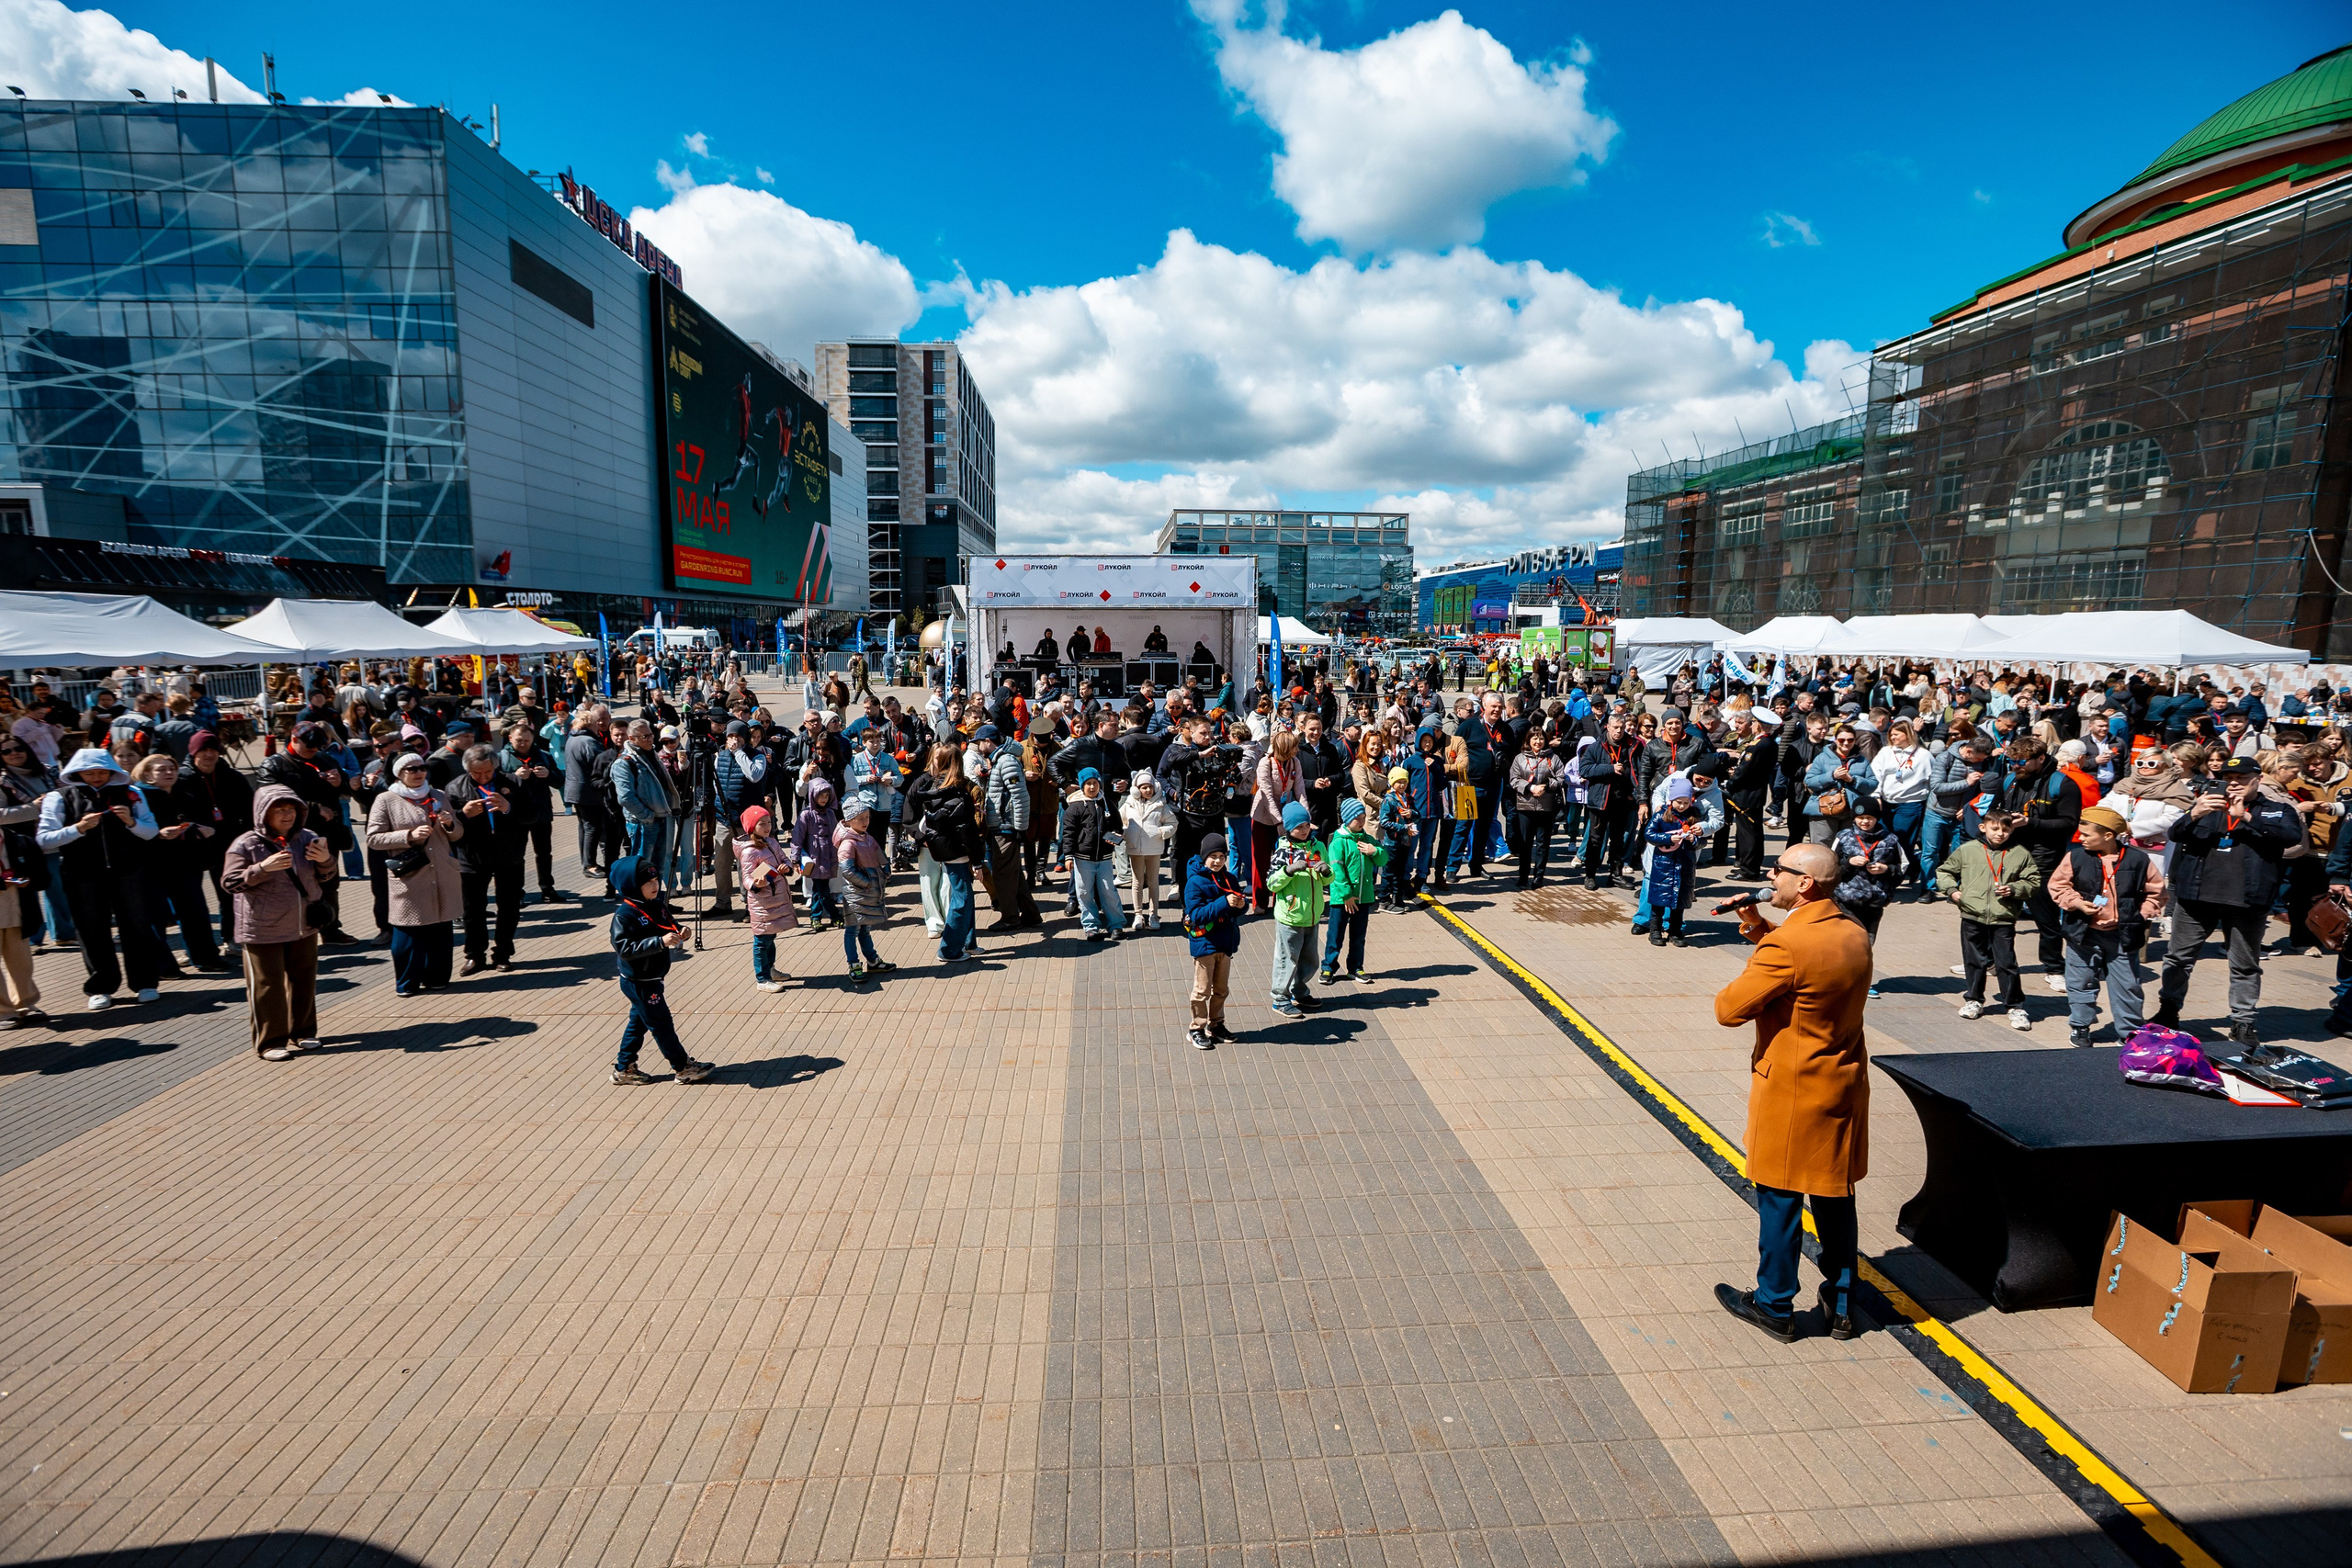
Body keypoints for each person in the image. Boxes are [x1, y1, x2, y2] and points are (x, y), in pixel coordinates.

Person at [1713, 841, 1875, 1343]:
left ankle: (1774, 1304)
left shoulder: (1787, 947)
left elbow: (1731, 1009)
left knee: (1780, 1198)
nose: (1770, 875)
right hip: (1841, 1082)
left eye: (1779, 870)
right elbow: (1810, 974)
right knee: (1833, 1194)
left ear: (1804, 883)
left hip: (1792, 1089)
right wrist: (1758, 926)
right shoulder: (1853, 931)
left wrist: (1764, 943)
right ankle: (1842, 1301)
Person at [2155, 756, 2300, 1045]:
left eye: (2242, 779)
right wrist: (2194, 814)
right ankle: (2168, 1011)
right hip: (2197, 897)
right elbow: (2174, 834)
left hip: (2247, 900)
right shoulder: (2206, 805)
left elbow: (2291, 837)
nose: (2234, 784)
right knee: (2179, 957)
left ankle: (2243, 1022)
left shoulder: (2277, 810)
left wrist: (2247, 817)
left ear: (2258, 779)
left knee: (2245, 964)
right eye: (2229, 778)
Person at [38, 746, 164, 1010]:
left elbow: (151, 831)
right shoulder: (60, 796)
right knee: (91, 929)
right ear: (77, 772)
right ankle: (101, 986)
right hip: (82, 874)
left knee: (137, 925)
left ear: (111, 771)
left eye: (102, 772)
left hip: (128, 871)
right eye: (89, 773)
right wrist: (78, 828)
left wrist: (131, 822)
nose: (96, 778)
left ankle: (145, 983)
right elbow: (44, 839)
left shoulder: (132, 792)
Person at [219, 783, 331, 1060]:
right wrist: (261, 869)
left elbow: (325, 876)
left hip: (303, 923)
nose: (286, 815)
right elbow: (229, 883)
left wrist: (327, 860)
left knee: (304, 980)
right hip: (261, 928)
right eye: (278, 810)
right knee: (267, 985)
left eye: (291, 809)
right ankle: (270, 1042)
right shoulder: (245, 844)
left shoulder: (308, 838)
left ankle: (303, 1032)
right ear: (263, 813)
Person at [2048, 805, 2166, 1047]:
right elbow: (2058, 886)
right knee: (2080, 981)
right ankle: (2080, 1026)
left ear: (2108, 835)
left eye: (2087, 835)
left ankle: (2129, 1032)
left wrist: (2140, 915)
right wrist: (2077, 903)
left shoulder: (2138, 860)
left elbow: (2156, 894)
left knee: (2128, 985)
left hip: (2122, 934)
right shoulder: (2076, 856)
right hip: (2083, 933)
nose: (2080, 839)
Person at [606, 852, 715, 1085]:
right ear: (632, 886)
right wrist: (660, 942)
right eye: (649, 883)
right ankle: (682, 1066)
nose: (655, 886)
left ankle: (623, 1067)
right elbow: (624, 948)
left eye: (657, 881)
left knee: (639, 1023)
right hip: (639, 981)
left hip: (652, 977)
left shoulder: (655, 905)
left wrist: (682, 930)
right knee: (661, 1024)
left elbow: (670, 925)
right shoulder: (624, 915)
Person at [367, 752, 464, 996]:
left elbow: (458, 835)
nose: (419, 772)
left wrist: (450, 824)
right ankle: (407, 982)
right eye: (412, 769)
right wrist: (408, 836)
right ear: (400, 773)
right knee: (409, 932)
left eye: (422, 767)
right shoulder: (386, 799)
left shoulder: (438, 795)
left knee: (441, 930)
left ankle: (437, 978)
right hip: (411, 874)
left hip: (442, 871)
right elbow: (373, 838)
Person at [1935, 811, 2039, 1032]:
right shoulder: (1967, 850)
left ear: (2012, 830)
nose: (2000, 834)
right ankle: (1974, 999)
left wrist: (2014, 889)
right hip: (1972, 913)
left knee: (2006, 963)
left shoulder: (2020, 853)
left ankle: (2014, 1006)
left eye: (2006, 829)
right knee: (1975, 960)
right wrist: (1953, 892)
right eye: (1995, 829)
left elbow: (2033, 881)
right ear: (1983, 828)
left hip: (2004, 916)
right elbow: (1944, 871)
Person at [129, 753, 231, 975]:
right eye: (161, 770)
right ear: (147, 774)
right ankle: (163, 967)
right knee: (156, 918)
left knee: (196, 912)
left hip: (186, 863)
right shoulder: (138, 796)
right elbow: (133, 831)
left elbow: (207, 820)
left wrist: (207, 830)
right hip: (153, 865)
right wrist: (159, 835)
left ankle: (205, 958)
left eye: (171, 769)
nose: (169, 773)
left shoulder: (185, 793)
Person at [447, 744, 526, 975]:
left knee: (509, 907)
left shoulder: (513, 783)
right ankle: (474, 956)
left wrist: (509, 808)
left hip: (508, 855)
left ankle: (503, 954)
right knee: (473, 910)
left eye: (487, 772)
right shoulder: (455, 788)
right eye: (476, 773)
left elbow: (533, 815)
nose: (482, 777)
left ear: (495, 766)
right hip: (472, 856)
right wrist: (463, 815)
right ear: (467, 770)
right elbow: (448, 825)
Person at [905, 743, 985, 963]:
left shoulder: (935, 787)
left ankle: (968, 943)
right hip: (956, 851)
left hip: (945, 849)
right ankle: (949, 949)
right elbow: (966, 832)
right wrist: (977, 863)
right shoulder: (958, 793)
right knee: (963, 898)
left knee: (963, 897)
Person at [1265, 801, 1330, 1020]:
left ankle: (1300, 992)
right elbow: (1272, 883)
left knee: (1310, 959)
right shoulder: (1283, 850)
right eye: (1298, 827)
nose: (1303, 831)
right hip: (1290, 916)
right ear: (1288, 828)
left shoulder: (1318, 847)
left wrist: (1326, 871)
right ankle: (1280, 998)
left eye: (1306, 825)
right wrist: (1288, 871)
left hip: (1312, 914)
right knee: (1287, 959)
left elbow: (1329, 878)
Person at [1183, 834, 1247, 1051]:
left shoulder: (1229, 878)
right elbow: (1196, 914)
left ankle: (1216, 1025)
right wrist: (1223, 902)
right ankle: (1196, 1029)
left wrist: (1241, 905)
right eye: (1213, 856)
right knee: (1202, 991)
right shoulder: (1195, 881)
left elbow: (1240, 907)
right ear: (1204, 858)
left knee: (1221, 989)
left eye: (1222, 856)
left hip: (1225, 943)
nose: (1218, 861)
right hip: (1205, 943)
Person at [1828, 796, 1906, 969]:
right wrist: (1848, 863)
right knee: (1845, 941)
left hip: (1875, 902)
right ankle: (1840, 977)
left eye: (1870, 817)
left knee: (1866, 943)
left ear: (1877, 818)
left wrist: (1886, 869)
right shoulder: (1843, 837)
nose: (1865, 821)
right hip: (1846, 900)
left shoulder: (1891, 840)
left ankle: (1863, 980)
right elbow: (1830, 868)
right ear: (1854, 818)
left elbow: (1903, 869)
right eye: (1861, 817)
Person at [498, 721, 566, 905]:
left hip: (541, 811)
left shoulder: (543, 756)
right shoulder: (502, 757)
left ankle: (547, 889)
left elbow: (560, 781)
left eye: (527, 740)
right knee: (516, 855)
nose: (523, 744)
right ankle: (517, 892)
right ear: (510, 738)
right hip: (515, 815)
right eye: (519, 740)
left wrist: (548, 774)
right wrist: (514, 778)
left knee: (544, 853)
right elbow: (495, 785)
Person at [733, 805, 799, 992]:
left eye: (769, 822)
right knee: (762, 940)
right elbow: (746, 877)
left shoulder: (771, 841)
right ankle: (762, 979)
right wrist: (757, 884)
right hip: (762, 902)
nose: (767, 826)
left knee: (771, 935)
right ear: (752, 827)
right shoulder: (749, 851)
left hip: (775, 899)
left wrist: (786, 867)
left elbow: (783, 859)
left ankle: (770, 969)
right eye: (762, 824)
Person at [1319, 797, 1385, 983]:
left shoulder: (1368, 840)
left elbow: (1383, 860)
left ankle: (1356, 967)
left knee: (1358, 936)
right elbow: (1337, 872)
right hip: (1342, 900)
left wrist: (1375, 851)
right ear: (1348, 819)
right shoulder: (1338, 842)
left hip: (1363, 898)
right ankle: (1328, 967)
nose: (1362, 821)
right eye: (1358, 818)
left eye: (1364, 817)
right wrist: (1347, 895)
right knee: (1335, 935)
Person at [834, 798, 897, 980]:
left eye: (867, 817)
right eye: (860, 818)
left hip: (867, 893)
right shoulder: (848, 843)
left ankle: (873, 961)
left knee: (865, 928)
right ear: (849, 820)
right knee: (852, 929)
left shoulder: (867, 837)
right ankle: (854, 965)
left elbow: (879, 854)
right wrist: (867, 883)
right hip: (855, 894)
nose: (865, 821)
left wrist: (885, 867)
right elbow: (847, 870)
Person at [1641, 777, 1706, 947]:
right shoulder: (1662, 816)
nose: (1682, 806)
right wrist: (1668, 838)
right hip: (1663, 865)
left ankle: (1675, 931)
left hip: (1684, 867)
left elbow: (1703, 841)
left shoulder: (1693, 817)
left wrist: (1693, 839)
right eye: (1679, 802)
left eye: (1686, 802)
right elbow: (1649, 834)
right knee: (1658, 902)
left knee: (1679, 903)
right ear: (1671, 800)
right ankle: (1655, 930)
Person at [1061, 767, 1125, 940]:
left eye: (1095, 783)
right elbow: (1068, 833)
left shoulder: (1107, 803)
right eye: (1088, 784)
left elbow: (1117, 825)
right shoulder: (1074, 807)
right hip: (1082, 859)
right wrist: (1068, 856)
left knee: (1108, 891)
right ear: (1082, 786)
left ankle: (1116, 925)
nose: (1091, 787)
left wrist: (1117, 834)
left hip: (1104, 858)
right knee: (1084, 893)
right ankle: (1091, 926)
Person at [1507, 727, 1563, 890]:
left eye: (1541, 739)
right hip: (1525, 806)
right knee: (1525, 843)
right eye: (1534, 738)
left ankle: (1539, 877)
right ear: (1528, 740)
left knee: (1543, 844)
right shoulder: (1520, 758)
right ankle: (1522, 876)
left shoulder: (1553, 758)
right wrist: (1531, 788)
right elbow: (1514, 779)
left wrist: (1547, 786)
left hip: (1546, 806)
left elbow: (1561, 778)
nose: (1538, 742)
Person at [1121, 768, 1176, 931]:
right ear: (1137, 789)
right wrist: (1125, 832)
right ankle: (1138, 914)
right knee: (1137, 883)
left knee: (1153, 882)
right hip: (1135, 849)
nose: (1147, 790)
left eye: (1150, 787)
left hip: (1154, 849)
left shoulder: (1161, 805)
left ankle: (1153, 914)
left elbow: (1172, 823)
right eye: (1144, 787)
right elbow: (1120, 820)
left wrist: (1161, 832)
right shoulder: (1129, 804)